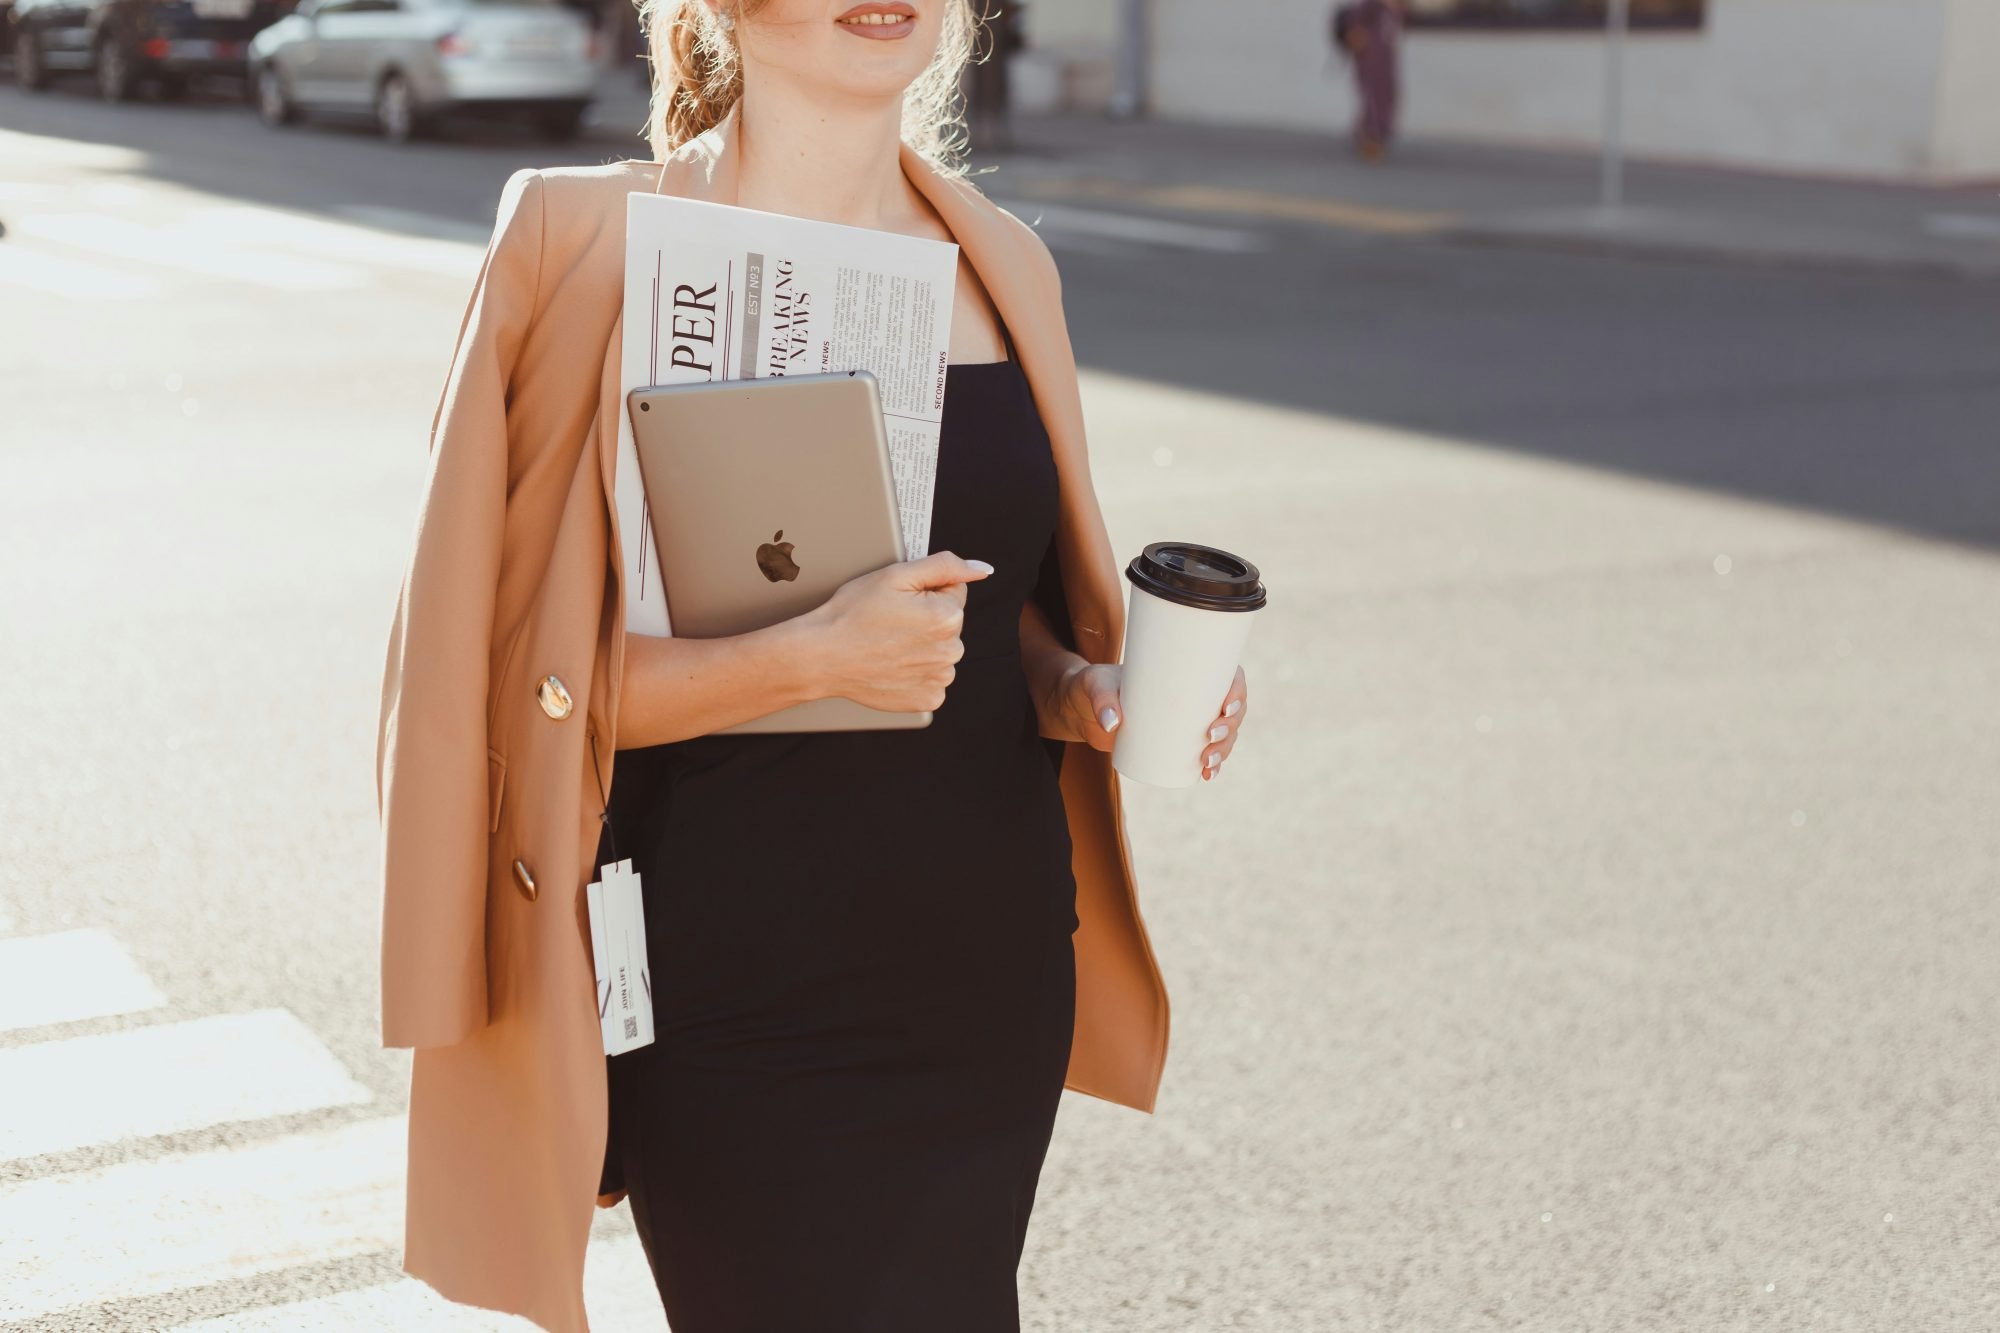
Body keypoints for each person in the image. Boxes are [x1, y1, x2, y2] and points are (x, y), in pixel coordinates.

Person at [372, 2, 1254, 1330]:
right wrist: (801, 660)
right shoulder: (579, 247)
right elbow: (501, 695)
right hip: (734, 989)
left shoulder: (1001, 258)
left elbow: (993, 598)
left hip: (984, 972)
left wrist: (1080, 688)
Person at [1331, 0, 1402, 161]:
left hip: (1384, 58)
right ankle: (1371, 138)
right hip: (1371, 58)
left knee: (1385, 95)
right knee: (1375, 96)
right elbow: (1356, 25)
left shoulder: (1390, 7)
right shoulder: (1372, 4)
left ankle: (1373, 136)